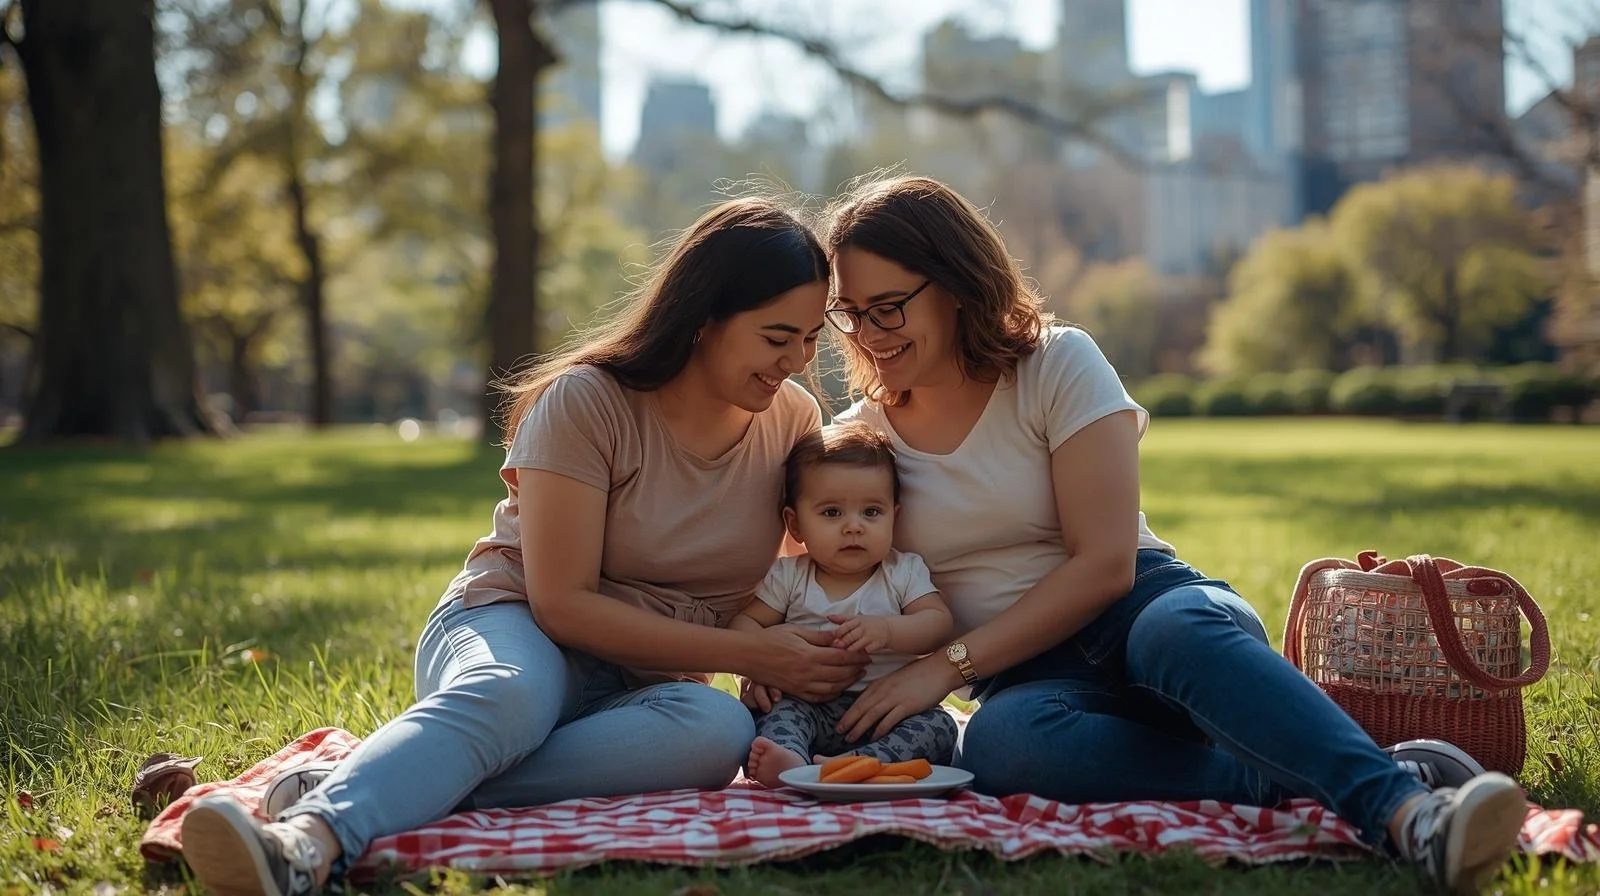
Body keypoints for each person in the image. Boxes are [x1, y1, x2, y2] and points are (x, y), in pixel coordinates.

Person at [817, 174, 1527, 896]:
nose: (871, 334)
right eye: (851, 314)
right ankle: (1347, 773)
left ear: (957, 282)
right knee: (1002, 744)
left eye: (890, 307)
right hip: (1029, 677)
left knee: (1173, 631)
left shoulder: (1056, 364)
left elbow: (1105, 567)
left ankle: (1412, 816)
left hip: (1150, 614)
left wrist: (945, 667)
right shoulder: (857, 446)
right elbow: (813, 576)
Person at [179, 198, 869, 896]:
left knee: (717, 731)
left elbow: (788, 572)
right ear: (702, 319)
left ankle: (392, 774)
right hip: (512, 628)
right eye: (777, 336)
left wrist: (777, 655)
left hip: (647, 687)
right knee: (511, 697)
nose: (796, 361)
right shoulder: (588, 402)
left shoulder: (792, 421)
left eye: (810, 338)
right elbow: (562, 605)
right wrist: (749, 652)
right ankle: (305, 842)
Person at [732, 420, 958, 787]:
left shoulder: (901, 572)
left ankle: (856, 765)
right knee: (771, 715)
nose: (854, 527)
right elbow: (746, 624)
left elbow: (937, 623)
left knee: (939, 725)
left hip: (886, 711)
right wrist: (757, 668)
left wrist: (889, 630)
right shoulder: (789, 577)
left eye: (871, 512)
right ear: (795, 524)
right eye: (832, 513)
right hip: (808, 704)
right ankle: (790, 760)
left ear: (894, 517)